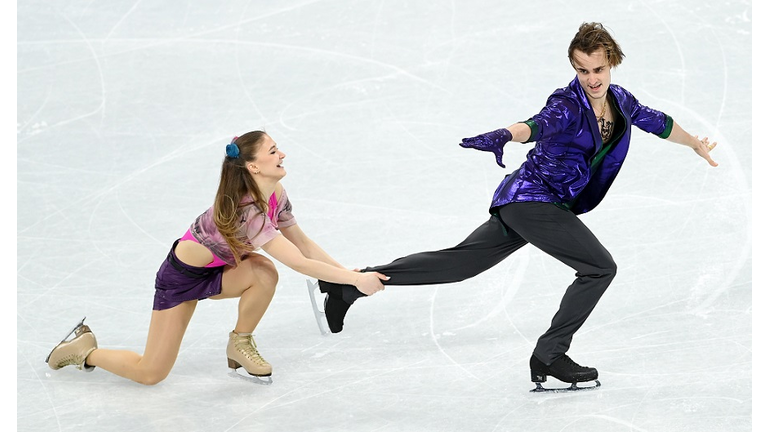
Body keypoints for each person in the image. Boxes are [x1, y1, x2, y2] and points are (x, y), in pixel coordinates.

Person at [315, 22, 718, 389]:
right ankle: (550, 354)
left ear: (611, 64)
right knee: (599, 267)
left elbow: (657, 121)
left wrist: (695, 143)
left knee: (460, 264)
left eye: (598, 69)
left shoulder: (621, 100)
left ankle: (349, 285)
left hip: (533, 204)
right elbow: (539, 124)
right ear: (574, 68)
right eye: (582, 70)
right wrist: (507, 134)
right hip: (532, 201)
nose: (591, 79)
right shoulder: (567, 103)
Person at [45, 130, 388, 385]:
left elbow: (303, 244)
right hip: (181, 279)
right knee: (150, 373)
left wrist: (344, 272)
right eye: (273, 151)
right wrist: (356, 281)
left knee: (264, 272)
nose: (282, 153)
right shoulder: (248, 212)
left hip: (225, 269)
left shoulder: (275, 193)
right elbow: (298, 262)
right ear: (253, 166)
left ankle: (240, 343)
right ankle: (83, 349)